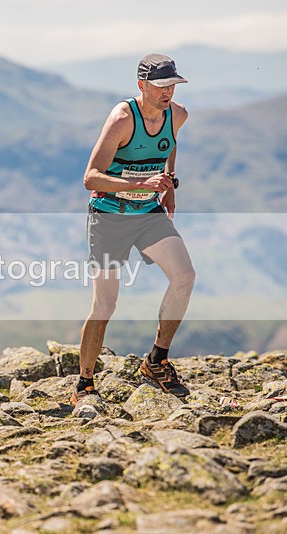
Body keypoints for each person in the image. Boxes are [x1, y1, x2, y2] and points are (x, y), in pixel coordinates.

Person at [72, 54, 196, 405]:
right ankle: (84, 384)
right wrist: (143, 180)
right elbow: (90, 178)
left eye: (172, 85)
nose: (167, 93)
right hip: (110, 215)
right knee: (105, 305)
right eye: (160, 87)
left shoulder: (178, 114)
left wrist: (168, 184)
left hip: (148, 214)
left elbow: (170, 145)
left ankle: (157, 360)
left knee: (185, 275)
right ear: (141, 85)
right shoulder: (123, 119)